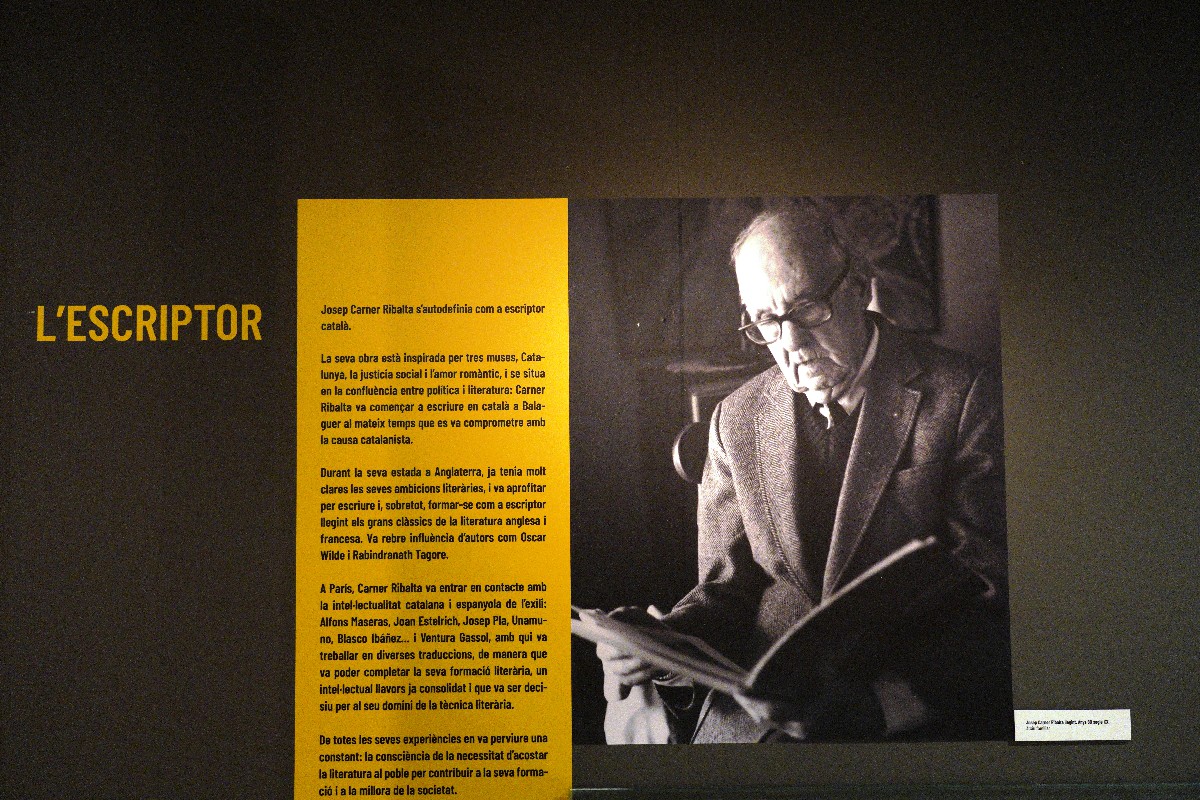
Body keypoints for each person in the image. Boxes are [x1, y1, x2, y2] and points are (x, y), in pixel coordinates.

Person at [597, 203, 1010, 743]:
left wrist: (882, 706)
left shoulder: (965, 395)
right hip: (754, 715)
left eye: (808, 308)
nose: (790, 343)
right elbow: (723, 591)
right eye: (766, 321)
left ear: (858, 287)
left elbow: (988, 588)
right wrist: (662, 642)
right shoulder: (735, 418)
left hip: (903, 712)